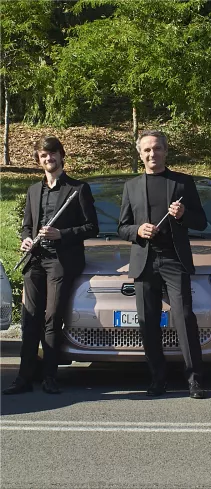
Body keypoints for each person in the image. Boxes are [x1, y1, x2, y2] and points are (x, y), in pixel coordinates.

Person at [3, 136, 98, 395]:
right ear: (39, 160)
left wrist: (62, 234)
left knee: (52, 318)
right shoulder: (34, 190)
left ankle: (50, 377)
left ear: (61, 156)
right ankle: (23, 378)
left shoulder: (78, 189)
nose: (48, 159)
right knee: (30, 319)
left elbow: (92, 227)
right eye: (43, 156)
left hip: (61, 260)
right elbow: (26, 225)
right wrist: (25, 239)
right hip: (35, 260)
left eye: (53, 154)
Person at [118, 130, 208, 399]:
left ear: (165, 151)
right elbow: (121, 227)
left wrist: (182, 215)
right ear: (140, 154)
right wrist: (137, 231)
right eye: (146, 150)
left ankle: (195, 380)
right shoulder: (131, 186)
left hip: (174, 260)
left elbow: (201, 222)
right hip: (144, 262)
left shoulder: (182, 183)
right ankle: (158, 379)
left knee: (184, 319)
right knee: (148, 323)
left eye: (156, 149)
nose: (151, 154)